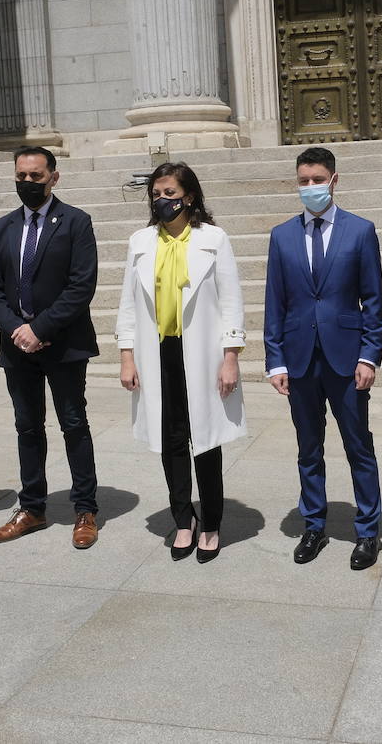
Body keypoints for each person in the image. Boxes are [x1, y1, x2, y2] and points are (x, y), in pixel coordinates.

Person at [116, 162, 245, 563]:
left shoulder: (213, 239)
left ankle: (211, 524)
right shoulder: (140, 241)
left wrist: (230, 358)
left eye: (170, 193)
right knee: (171, 441)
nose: (162, 201)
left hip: (203, 354)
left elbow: (231, 301)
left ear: (188, 196)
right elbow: (127, 304)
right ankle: (182, 519)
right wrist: (126, 355)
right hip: (158, 354)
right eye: (156, 194)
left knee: (205, 440)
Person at [264, 147, 382, 570]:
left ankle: (367, 530)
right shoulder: (281, 236)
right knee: (307, 447)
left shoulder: (360, 231)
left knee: (358, 446)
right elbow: (274, 303)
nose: (310, 187)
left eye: (318, 179)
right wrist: (275, 360)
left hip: (346, 358)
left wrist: (370, 356)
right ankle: (313, 524)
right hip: (299, 360)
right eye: (303, 181)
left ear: (334, 180)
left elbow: (373, 300)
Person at [0, 146, 102, 549]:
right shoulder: (2, 228)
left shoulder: (76, 222)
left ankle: (85, 508)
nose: (28, 183)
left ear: (54, 177)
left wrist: (41, 328)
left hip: (64, 344)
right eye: (22, 176)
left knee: (73, 424)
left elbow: (81, 285)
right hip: (18, 348)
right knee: (27, 427)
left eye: (36, 176)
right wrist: (19, 329)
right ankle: (32, 507)